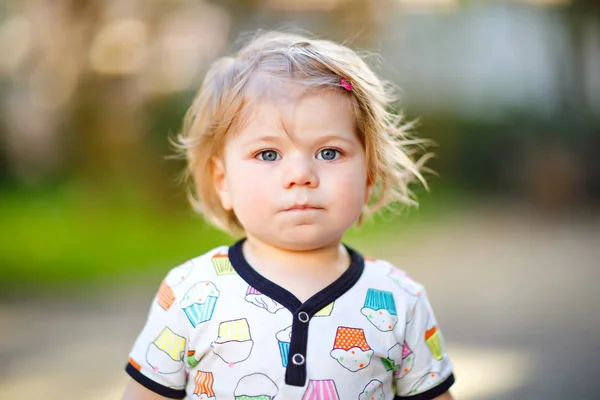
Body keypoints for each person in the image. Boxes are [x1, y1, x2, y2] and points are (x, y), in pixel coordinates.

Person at [122, 30, 455, 400]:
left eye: (329, 153)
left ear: (369, 176)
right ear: (223, 182)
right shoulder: (190, 292)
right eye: (268, 154)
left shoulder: (398, 300)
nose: (301, 175)